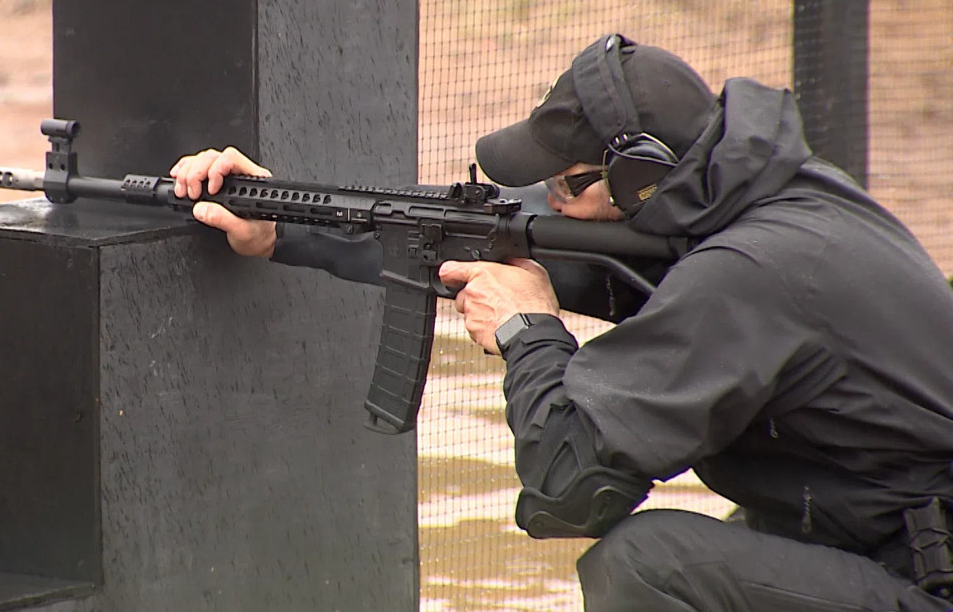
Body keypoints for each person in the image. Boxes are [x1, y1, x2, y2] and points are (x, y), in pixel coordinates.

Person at [170, 34, 953, 611]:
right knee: (745, 538)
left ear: (641, 178)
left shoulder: (748, 275)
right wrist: (281, 223)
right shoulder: (773, 194)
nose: (546, 199)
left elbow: (572, 491)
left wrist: (529, 334)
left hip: (925, 576)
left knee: (646, 563)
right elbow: (496, 231)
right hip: (883, 534)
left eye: (567, 183)